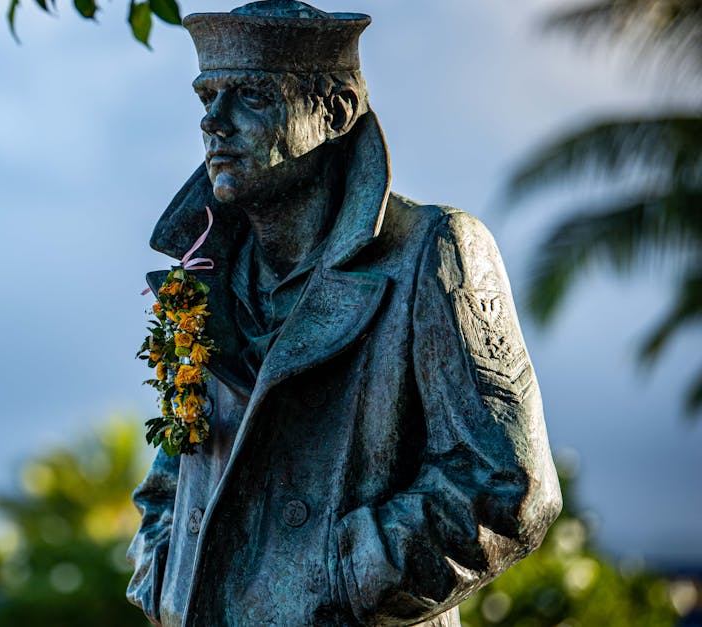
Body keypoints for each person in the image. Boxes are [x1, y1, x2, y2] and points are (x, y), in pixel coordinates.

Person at [125, 2, 562, 625]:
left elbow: (505, 487)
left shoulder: (433, 251)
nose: (215, 123)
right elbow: (176, 473)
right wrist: (163, 576)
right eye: (207, 98)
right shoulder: (200, 272)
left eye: (249, 96)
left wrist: (337, 573)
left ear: (333, 113)